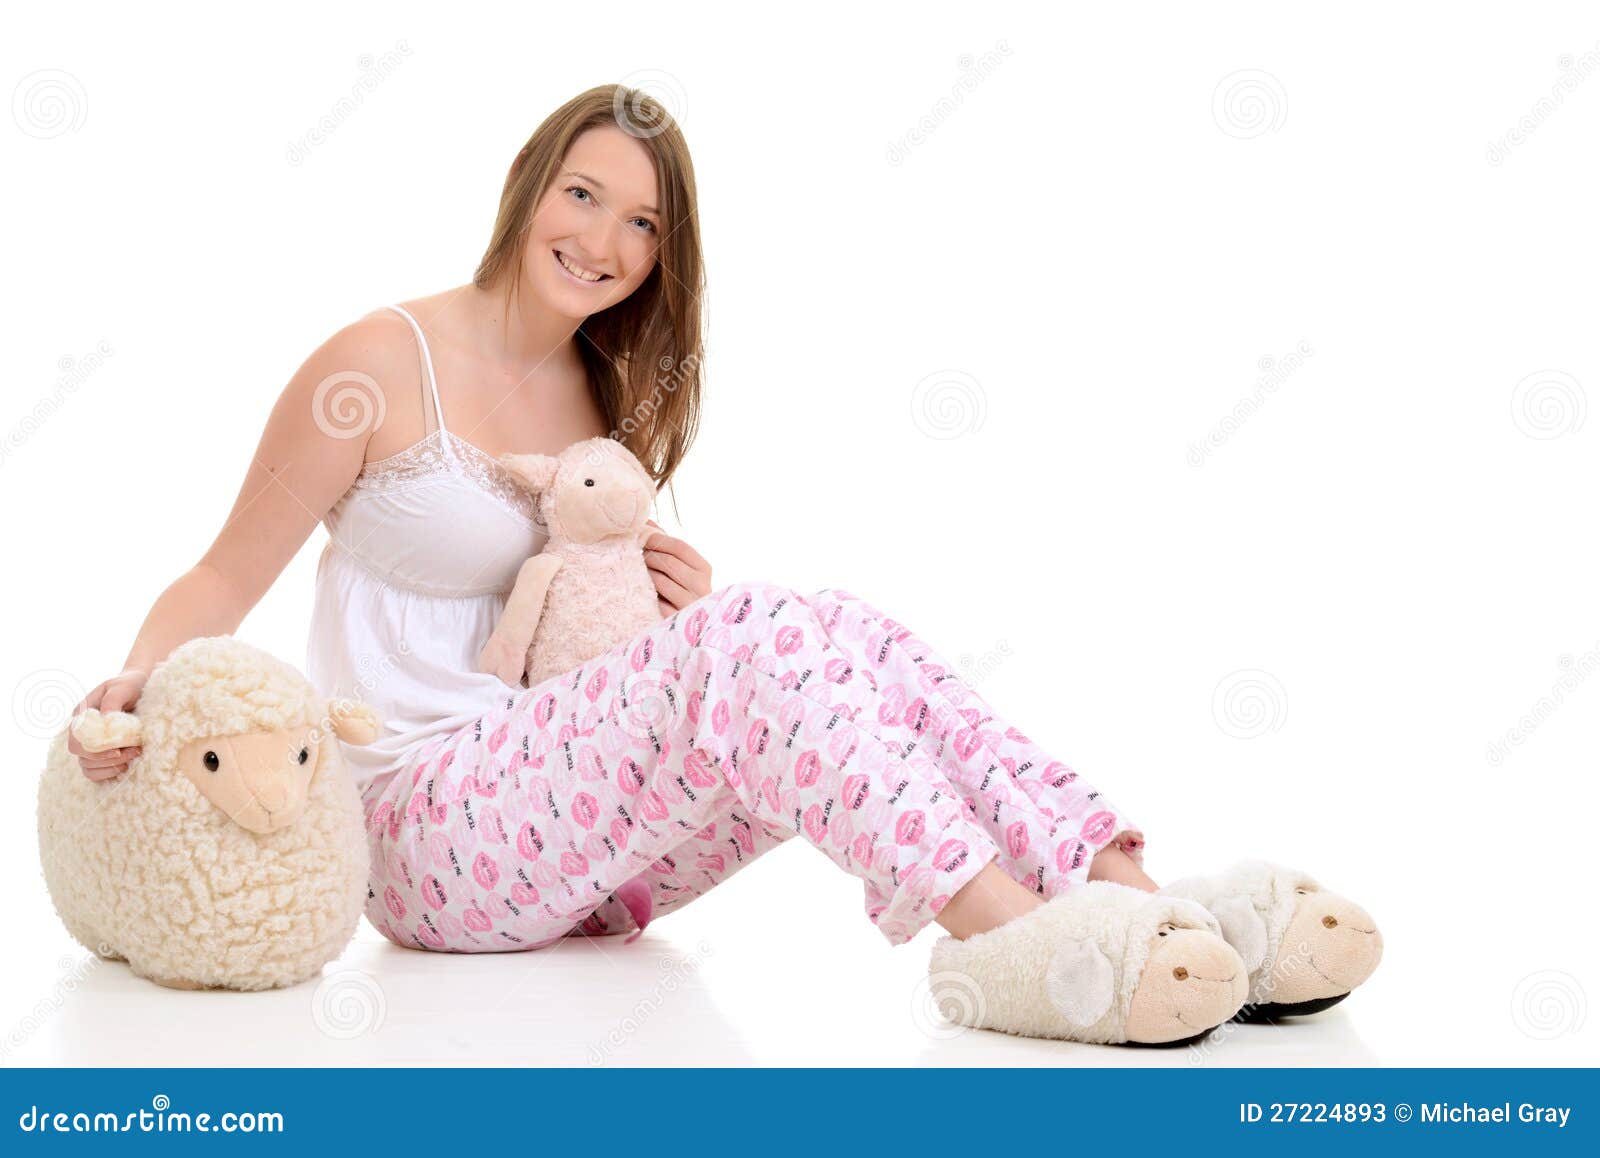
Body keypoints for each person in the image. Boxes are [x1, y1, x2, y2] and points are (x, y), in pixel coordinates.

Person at [70, 84, 1375, 1045]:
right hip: (424, 838)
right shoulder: (377, 362)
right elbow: (219, 576)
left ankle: (1131, 895)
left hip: (575, 859)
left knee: (828, 624)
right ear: (526, 184)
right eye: (583, 194)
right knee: (761, 635)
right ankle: (1023, 945)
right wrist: (135, 683)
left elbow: (581, 670)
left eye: (642, 223)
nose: (603, 240)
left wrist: (671, 628)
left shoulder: (602, 397)